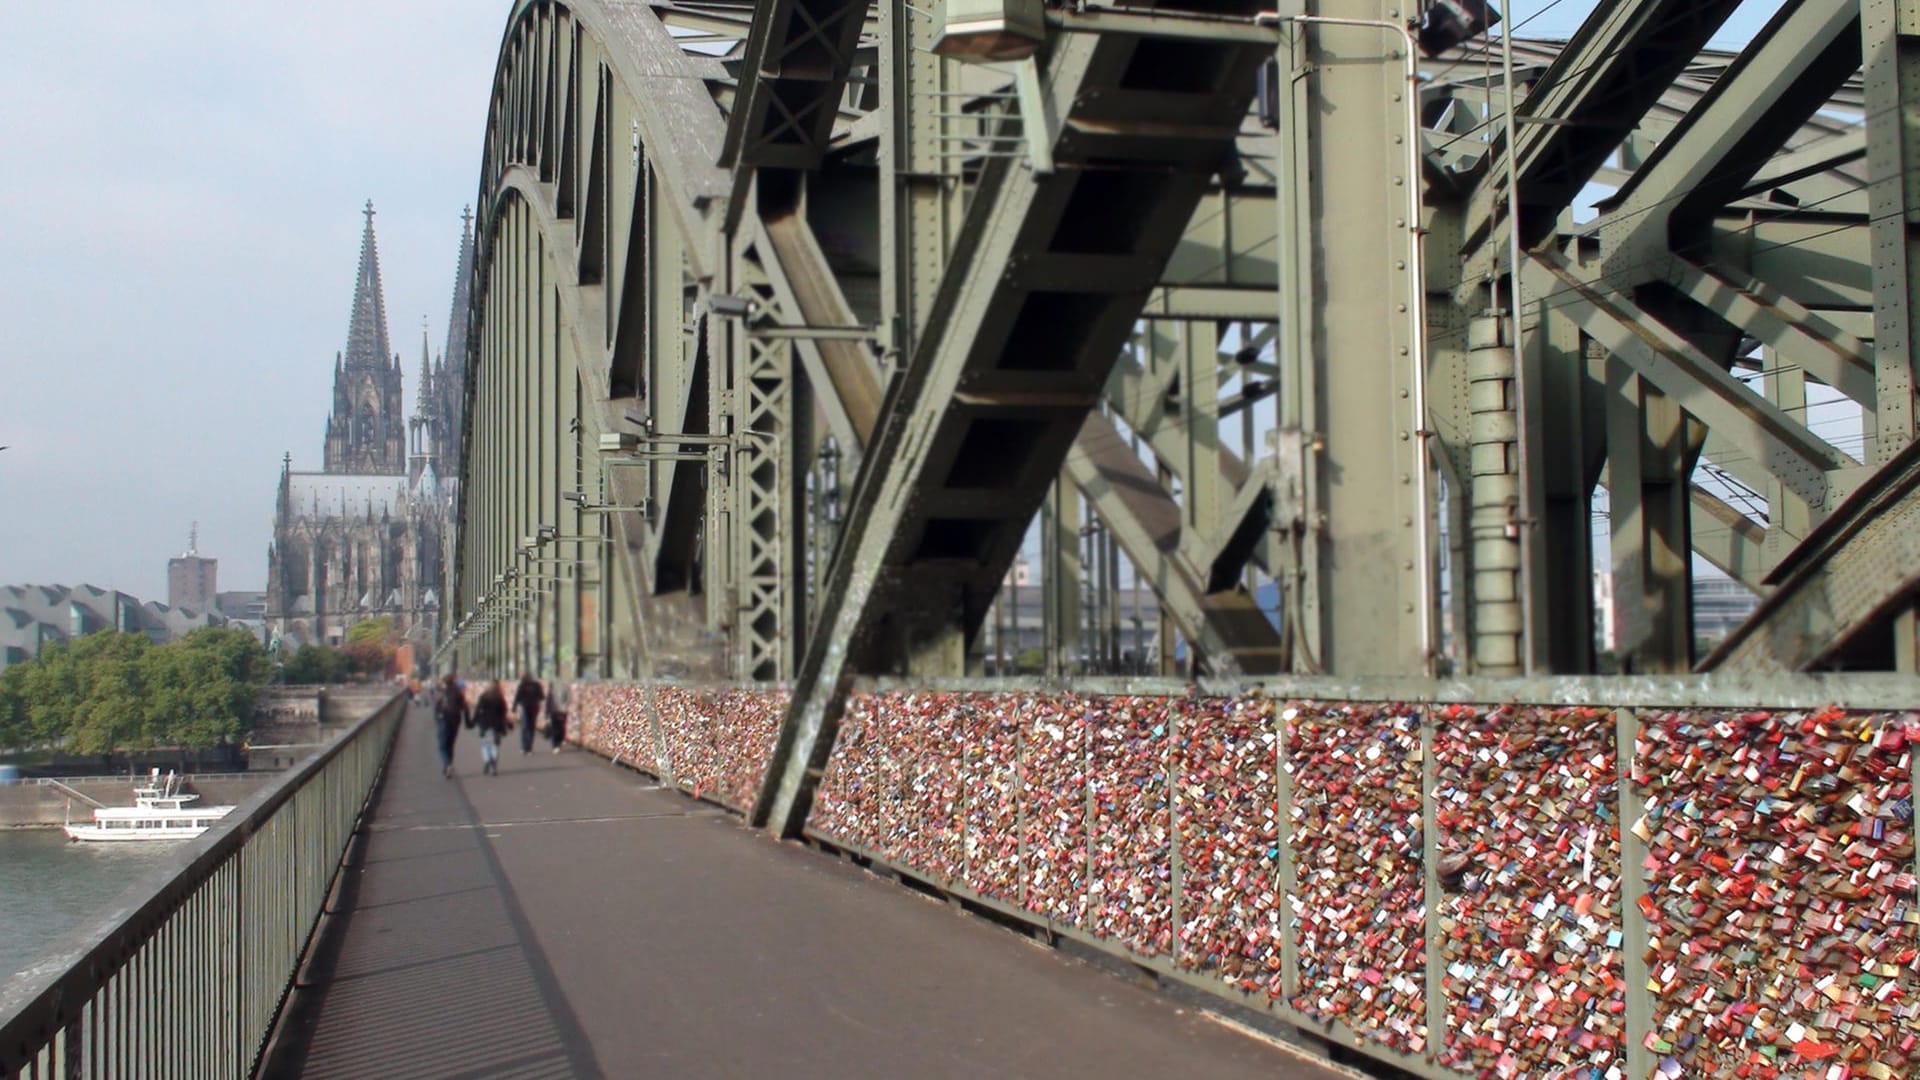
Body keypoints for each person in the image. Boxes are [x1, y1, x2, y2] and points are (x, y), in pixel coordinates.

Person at [433, 673, 468, 778]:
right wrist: (468, 721)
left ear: (444, 682)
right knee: (450, 743)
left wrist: (436, 719)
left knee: (442, 744)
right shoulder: (458, 693)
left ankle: (447, 763)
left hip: (444, 718)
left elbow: (437, 707)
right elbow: (464, 707)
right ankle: (448, 765)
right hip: (456, 719)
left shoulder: (442, 692)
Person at [473, 680, 511, 776]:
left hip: (484, 723)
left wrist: (473, 721)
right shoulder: (500, 698)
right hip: (496, 724)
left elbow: (478, 710)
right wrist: (507, 723)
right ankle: (494, 764)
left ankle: (487, 759)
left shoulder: (483, 697)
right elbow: (504, 712)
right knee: (495, 745)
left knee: (484, 743)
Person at [512, 674, 546, 755]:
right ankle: (529, 748)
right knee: (531, 727)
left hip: (525, 707)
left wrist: (514, 707)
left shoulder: (522, 685)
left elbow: (517, 696)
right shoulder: (537, 685)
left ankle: (524, 747)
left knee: (524, 727)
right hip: (534, 707)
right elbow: (542, 697)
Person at [546, 679, 571, 752]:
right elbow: (548, 702)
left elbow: (568, 699)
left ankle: (558, 743)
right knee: (556, 728)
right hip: (556, 711)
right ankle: (555, 745)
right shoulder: (552, 691)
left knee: (560, 728)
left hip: (560, 711)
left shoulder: (563, 688)